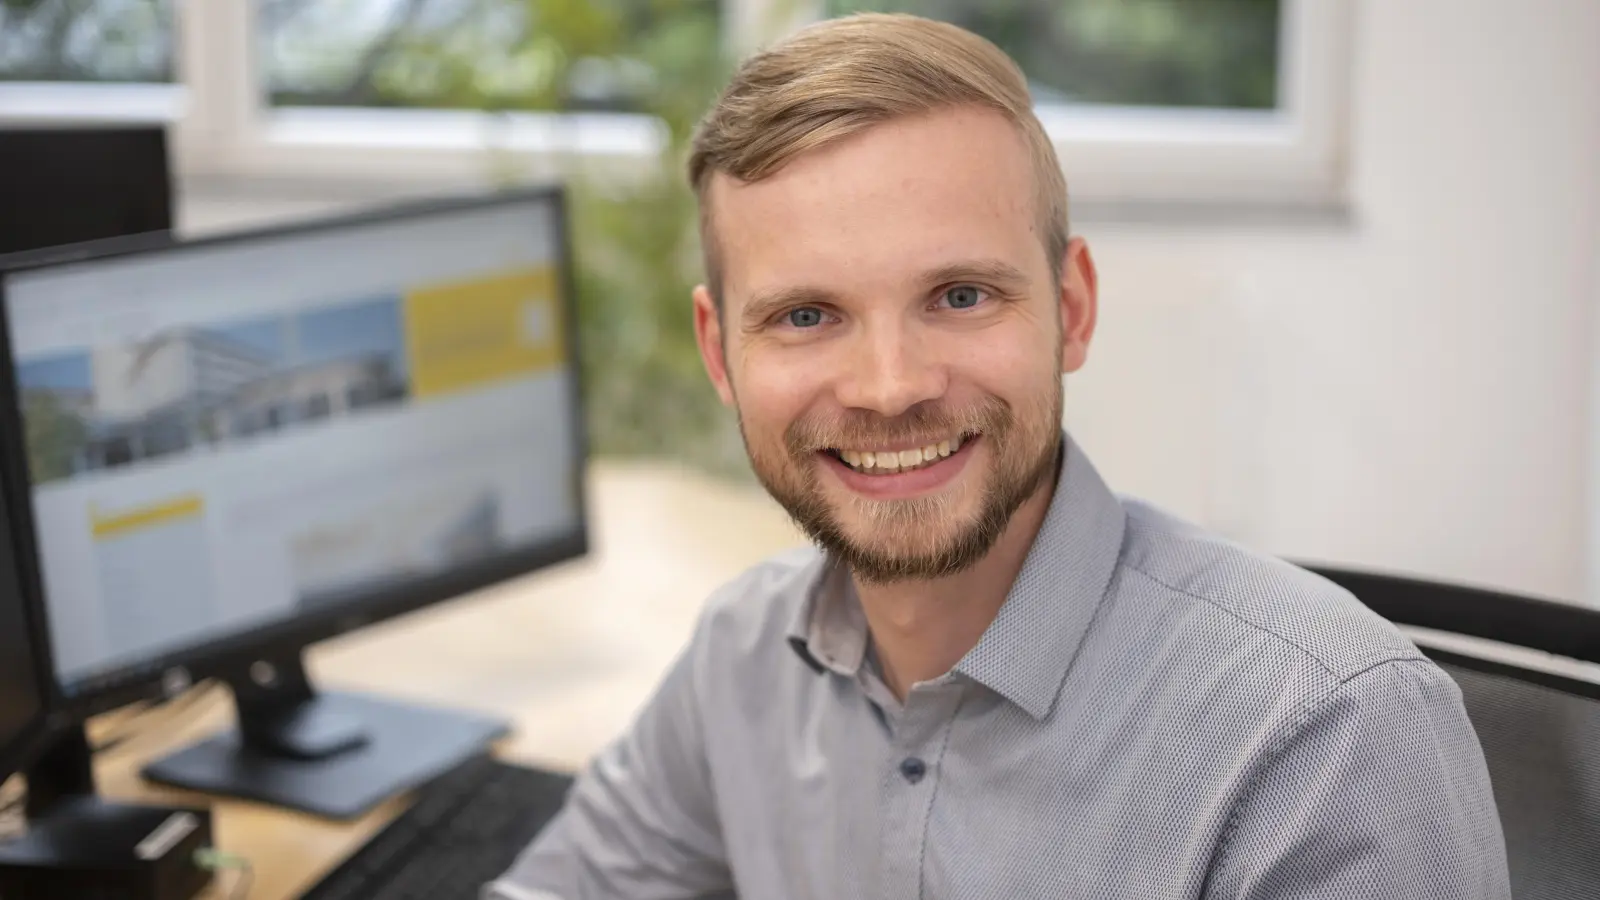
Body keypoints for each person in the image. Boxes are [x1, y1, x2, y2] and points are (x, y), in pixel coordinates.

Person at [488, 13, 1509, 899]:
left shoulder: (1329, 739)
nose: (890, 386)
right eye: (806, 315)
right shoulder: (743, 656)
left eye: (960, 296)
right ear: (720, 352)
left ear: (1069, 310)